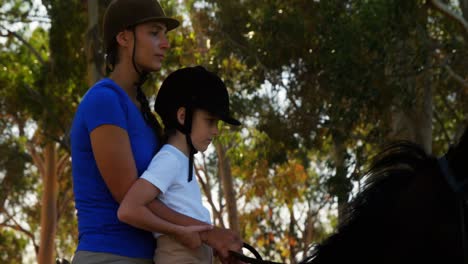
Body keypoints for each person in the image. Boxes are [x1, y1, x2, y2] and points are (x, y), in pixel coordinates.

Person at [70, 0, 242, 263]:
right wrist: (208, 233)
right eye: (154, 32)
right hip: (110, 255)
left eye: (164, 34)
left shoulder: (142, 111)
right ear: (124, 37)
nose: (165, 43)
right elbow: (130, 197)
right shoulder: (104, 100)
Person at [118, 65, 242, 263]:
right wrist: (178, 231)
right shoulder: (170, 159)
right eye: (210, 121)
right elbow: (129, 209)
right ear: (182, 116)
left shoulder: (181, 161)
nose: (216, 131)